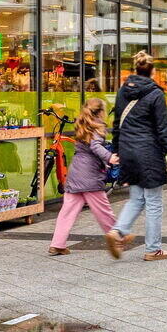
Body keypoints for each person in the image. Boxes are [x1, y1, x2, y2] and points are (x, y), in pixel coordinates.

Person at [111, 51, 167, 260]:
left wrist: (116, 151)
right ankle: (153, 249)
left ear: (135, 69)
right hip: (149, 153)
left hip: (128, 151)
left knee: (136, 198)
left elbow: (116, 125)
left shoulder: (123, 91)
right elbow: (164, 130)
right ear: (153, 71)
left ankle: (118, 231)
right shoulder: (155, 94)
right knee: (154, 202)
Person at [49, 98, 126, 259]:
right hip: (90, 175)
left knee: (67, 212)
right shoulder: (97, 126)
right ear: (100, 112)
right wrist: (110, 157)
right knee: (103, 211)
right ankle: (118, 238)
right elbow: (95, 146)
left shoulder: (82, 124)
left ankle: (57, 244)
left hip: (76, 172)